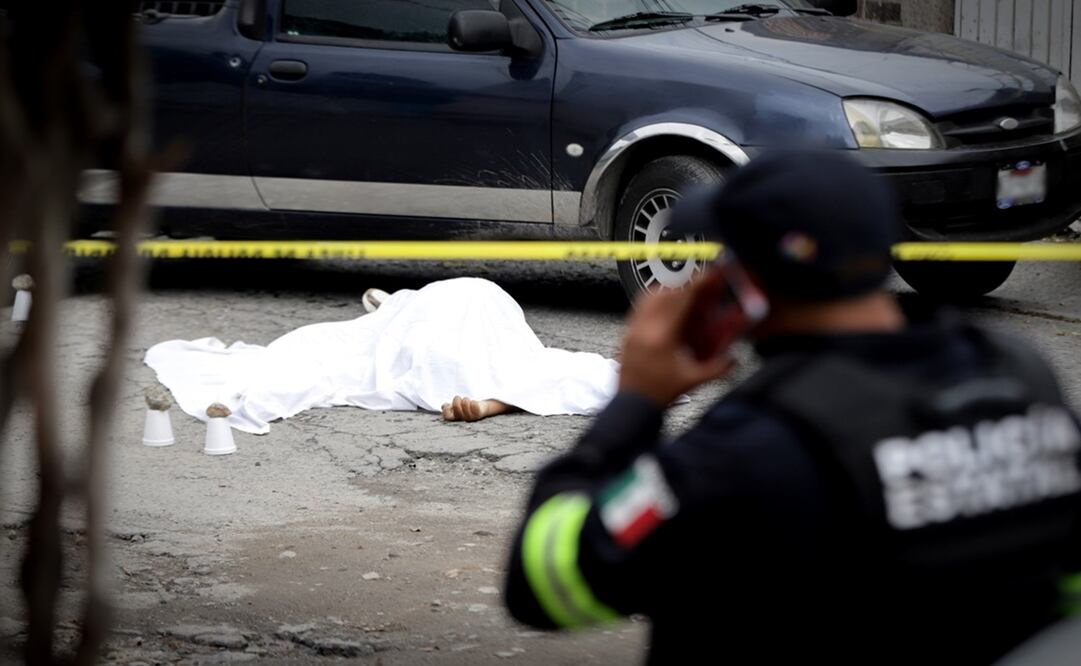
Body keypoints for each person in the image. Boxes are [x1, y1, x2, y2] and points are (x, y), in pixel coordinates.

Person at [502, 150, 1081, 664]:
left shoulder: (753, 445)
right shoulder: (1018, 374)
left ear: (746, 283)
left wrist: (635, 402)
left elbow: (544, 581)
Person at [144, 277, 619, 434]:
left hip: (431, 313)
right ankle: (497, 394)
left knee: (335, 349)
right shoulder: (420, 304)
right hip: (472, 309)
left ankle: (492, 395)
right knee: (528, 363)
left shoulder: (416, 306)